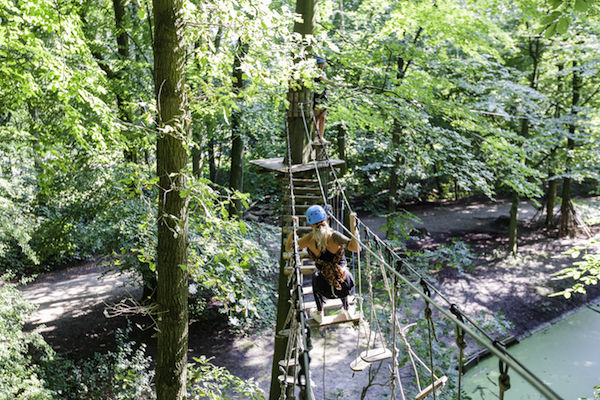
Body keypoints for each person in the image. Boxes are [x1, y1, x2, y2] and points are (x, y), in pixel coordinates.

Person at [286, 205, 360, 323]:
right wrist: (353, 228)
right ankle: (346, 308)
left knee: (316, 275)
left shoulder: (309, 239)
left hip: (323, 288)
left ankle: (320, 312)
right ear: (326, 219)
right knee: (341, 272)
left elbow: (289, 248)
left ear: (310, 225)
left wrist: (293, 229)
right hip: (344, 287)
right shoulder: (335, 236)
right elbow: (356, 248)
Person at [313, 57, 332, 144]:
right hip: (316, 96)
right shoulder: (314, 72)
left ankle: (321, 136)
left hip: (323, 97)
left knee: (323, 117)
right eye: (320, 64)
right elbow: (324, 81)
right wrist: (337, 84)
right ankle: (315, 137)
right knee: (316, 117)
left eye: (323, 63)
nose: (322, 65)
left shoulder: (323, 73)